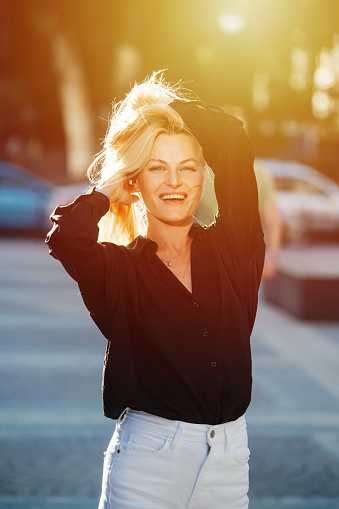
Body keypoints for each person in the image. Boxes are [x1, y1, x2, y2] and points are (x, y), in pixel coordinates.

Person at [46, 72, 265, 509]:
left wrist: (157, 112)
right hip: (149, 461)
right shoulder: (117, 270)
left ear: (203, 178)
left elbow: (233, 140)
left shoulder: (234, 249)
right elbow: (67, 236)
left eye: (188, 168)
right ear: (137, 183)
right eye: (156, 168)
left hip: (229, 458)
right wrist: (109, 188)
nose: (174, 182)